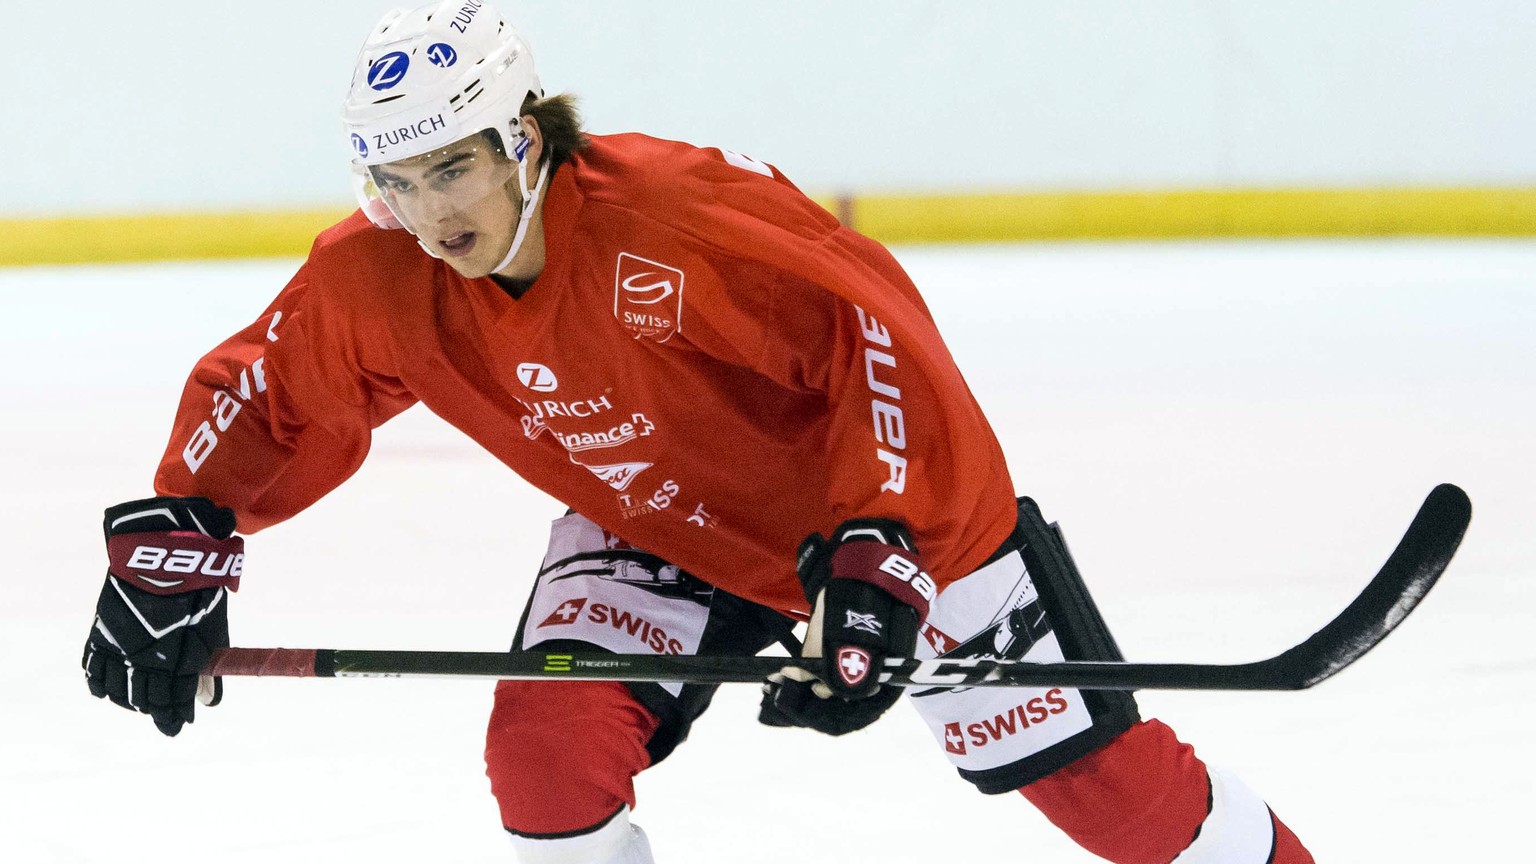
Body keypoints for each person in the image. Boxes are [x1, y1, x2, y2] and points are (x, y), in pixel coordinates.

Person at [81, 3, 1314, 862]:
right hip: (659, 525)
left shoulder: (675, 217)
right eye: (391, 181)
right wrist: (182, 532)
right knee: (547, 753)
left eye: (449, 169)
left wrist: (879, 545)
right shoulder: (383, 273)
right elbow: (276, 386)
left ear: (523, 135)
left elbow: (873, 342)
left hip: (881, 518)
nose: (423, 211)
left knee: (1106, 796)